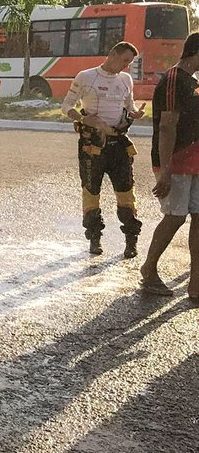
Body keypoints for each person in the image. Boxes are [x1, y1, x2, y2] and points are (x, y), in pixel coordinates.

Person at [61, 42, 146, 257]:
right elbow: (66, 106)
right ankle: (95, 239)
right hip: (92, 146)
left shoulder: (125, 80)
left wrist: (135, 113)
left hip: (119, 145)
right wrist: (82, 118)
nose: (126, 66)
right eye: (125, 60)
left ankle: (131, 241)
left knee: (126, 192)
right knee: (91, 192)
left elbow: (129, 105)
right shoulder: (86, 77)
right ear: (112, 54)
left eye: (130, 62)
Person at [141, 32, 199, 302]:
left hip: (196, 160)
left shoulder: (193, 81)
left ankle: (196, 284)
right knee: (175, 217)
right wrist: (165, 170)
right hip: (175, 161)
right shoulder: (174, 79)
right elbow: (166, 126)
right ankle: (149, 269)